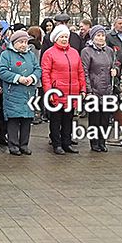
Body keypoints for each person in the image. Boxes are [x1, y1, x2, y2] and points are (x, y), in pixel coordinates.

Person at [41, 24, 86, 154]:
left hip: (72, 92)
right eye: (62, 37)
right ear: (56, 38)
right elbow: (45, 74)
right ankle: (57, 143)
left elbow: (80, 72)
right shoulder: (49, 53)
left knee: (68, 119)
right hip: (57, 91)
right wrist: (48, 91)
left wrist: (83, 89)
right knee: (56, 119)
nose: (64, 39)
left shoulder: (74, 52)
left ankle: (67, 143)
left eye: (66, 36)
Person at [0, 30, 40, 156]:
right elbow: (2, 71)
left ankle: (24, 144)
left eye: (26, 42)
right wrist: (18, 78)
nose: (23, 45)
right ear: (14, 43)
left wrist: (32, 78)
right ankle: (13, 145)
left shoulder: (31, 55)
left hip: (28, 93)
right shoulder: (6, 55)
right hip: (13, 93)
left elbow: (38, 69)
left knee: (27, 119)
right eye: (21, 42)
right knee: (14, 120)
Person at [81, 25, 116, 152]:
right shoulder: (87, 51)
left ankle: (102, 141)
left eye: (102, 35)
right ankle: (94, 142)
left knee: (105, 118)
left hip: (107, 90)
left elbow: (114, 64)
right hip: (94, 89)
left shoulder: (109, 51)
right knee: (94, 118)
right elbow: (84, 71)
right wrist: (89, 90)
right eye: (98, 35)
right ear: (93, 37)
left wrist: (115, 70)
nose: (101, 38)